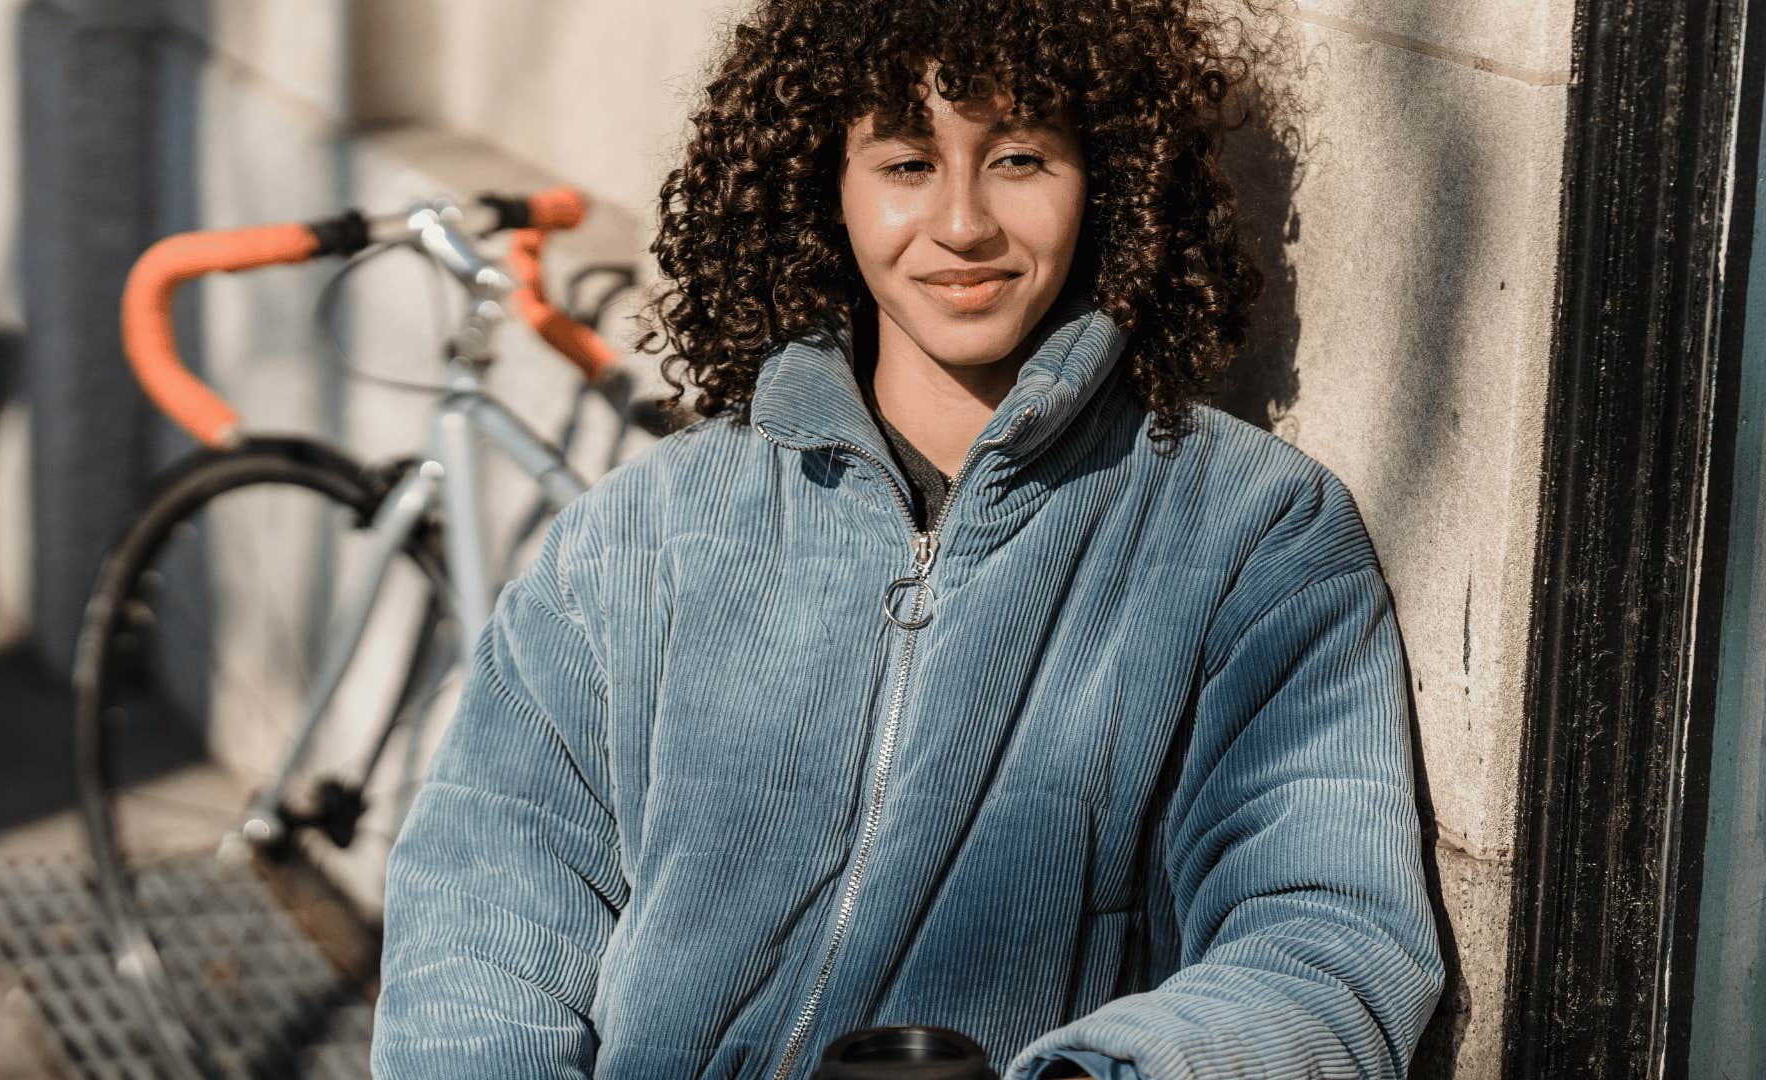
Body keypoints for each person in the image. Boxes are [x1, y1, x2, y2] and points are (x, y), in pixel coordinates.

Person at [371, 0, 1445, 1077]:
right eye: (905, 162)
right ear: (823, 187)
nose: (965, 223)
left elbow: (1328, 944)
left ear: (1107, 180)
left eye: (1020, 157)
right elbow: (483, 908)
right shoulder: (638, 534)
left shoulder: (1252, 534)